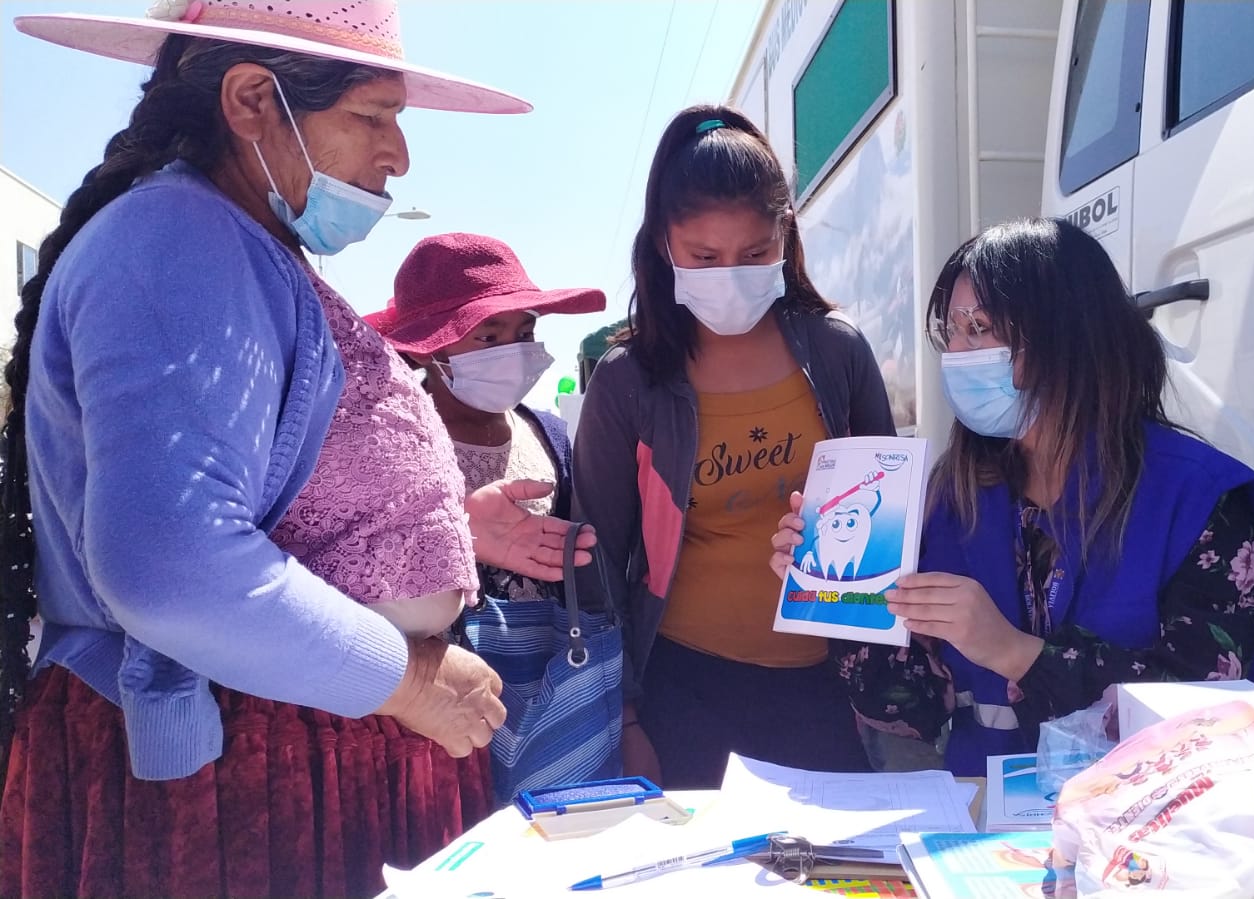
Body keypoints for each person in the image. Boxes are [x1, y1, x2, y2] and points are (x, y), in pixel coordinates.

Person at [0, 3, 587, 895]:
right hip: (250, 786)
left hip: (294, 757)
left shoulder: (232, 241)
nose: (398, 155)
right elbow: (169, 563)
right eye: (373, 116)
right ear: (250, 99)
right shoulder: (176, 238)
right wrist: (409, 680)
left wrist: (445, 537)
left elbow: (287, 506)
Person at [771, 218, 1254, 776]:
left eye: (982, 328)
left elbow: (1209, 708)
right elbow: (908, 706)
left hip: (1157, 823)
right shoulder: (952, 500)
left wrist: (1014, 652)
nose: (959, 353)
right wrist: (835, 597)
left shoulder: (1197, 499)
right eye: (952, 331)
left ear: (1069, 336)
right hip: (987, 833)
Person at [572, 105, 895, 788]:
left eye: (753, 254)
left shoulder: (836, 352)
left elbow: (888, 527)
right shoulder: (629, 380)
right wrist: (626, 717)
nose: (731, 275)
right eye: (704, 257)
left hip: (825, 685)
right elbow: (595, 559)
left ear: (785, 233)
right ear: (664, 245)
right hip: (684, 688)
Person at [366, 232, 604, 603]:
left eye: (525, 333)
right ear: (427, 349)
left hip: (549, 656)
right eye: (489, 339)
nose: (514, 352)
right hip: (429, 658)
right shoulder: (384, 442)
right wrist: (457, 529)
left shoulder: (551, 437)